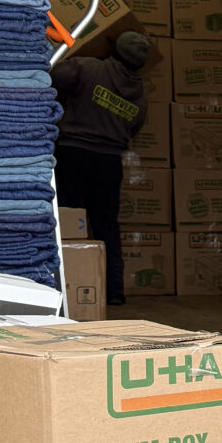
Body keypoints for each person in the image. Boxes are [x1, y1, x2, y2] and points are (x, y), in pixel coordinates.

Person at [51, 30, 150, 306]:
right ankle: (114, 291)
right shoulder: (140, 96)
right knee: (106, 225)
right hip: (108, 161)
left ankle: (64, 286)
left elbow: (50, 72)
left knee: (68, 220)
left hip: (72, 154)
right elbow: (134, 128)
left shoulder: (88, 68)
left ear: (114, 48)